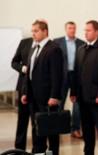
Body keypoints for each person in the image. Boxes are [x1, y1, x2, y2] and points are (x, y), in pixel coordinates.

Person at [21, 19, 63, 155]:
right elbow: (29, 74)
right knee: (36, 128)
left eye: (36, 31)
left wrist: (54, 96)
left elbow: (57, 75)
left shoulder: (54, 48)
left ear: (45, 31)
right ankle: (38, 152)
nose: (33, 34)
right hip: (33, 97)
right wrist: (25, 92)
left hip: (47, 98)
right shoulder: (34, 48)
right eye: (32, 31)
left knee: (51, 130)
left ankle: (53, 152)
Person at [70, 20, 98, 155]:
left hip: (97, 98)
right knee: (87, 130)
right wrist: (73, 92)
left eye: (88, 30)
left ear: (97, 31)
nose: (85, 33)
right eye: (85, 30)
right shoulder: (81, 49)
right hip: (82, 97)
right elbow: (76, 73)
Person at [54, 21, 85, 138]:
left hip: (76, 77)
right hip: (62, 76)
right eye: (70, 28)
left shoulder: (81, 43)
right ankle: (58, 127)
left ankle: (75, 129)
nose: (72, 30)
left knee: (77, 104)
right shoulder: (57, 42)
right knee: (59, 103)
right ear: (65, 29)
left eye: (74, 28)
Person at [11, 37, 34, 150]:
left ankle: (38, 148)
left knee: (37, 120)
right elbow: (14, 62)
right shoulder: (25, 43)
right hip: (23, 86)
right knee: (22, 119)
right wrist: (22, 68)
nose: (34, 33)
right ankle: (19, 147)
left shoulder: (49, 45)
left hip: (39, 88)